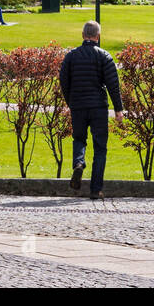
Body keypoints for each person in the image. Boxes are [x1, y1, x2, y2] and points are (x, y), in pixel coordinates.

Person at [59, 20, 123, 198]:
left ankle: (79, 163)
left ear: (82, 35)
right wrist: (118, 109)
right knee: (100, 147)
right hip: (98, 107)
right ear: (98, 36)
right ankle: (96, 189)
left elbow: (64, 81)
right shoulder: (104, 56)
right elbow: (113, 85)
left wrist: (70, 102)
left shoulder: (71, 56)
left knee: (79, 139)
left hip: (78, 105)